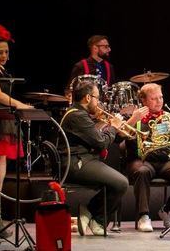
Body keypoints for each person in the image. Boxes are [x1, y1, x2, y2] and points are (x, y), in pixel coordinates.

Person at [0, 25, 32, 245]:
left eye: (6, 52)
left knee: (1, 177)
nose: (4, 56)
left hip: (4, 126)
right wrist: (22, 106)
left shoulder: (3, 71)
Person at [60, 81, 128, 236]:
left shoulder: (79, 113)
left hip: (82, 159)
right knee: (121, 183)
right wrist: (113, 127)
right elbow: (101, 143)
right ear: (88, 98)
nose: (99, 102)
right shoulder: (77, 116)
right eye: (97, 98)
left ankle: (90, 214)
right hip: (76, 163)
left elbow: (96, 138)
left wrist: (110, 128)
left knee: (116, 182)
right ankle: (95, 217)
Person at [123, 83, 170, 232]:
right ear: (144, 101)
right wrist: (132, 120)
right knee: (142, 172)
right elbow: (119, 136)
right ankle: (144, 216)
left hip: (164, 161)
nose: (159, 101)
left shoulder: (169, 117)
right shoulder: (135, 117)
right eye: (154, 98)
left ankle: (168, 211)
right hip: (141, 161)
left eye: (161, 97)